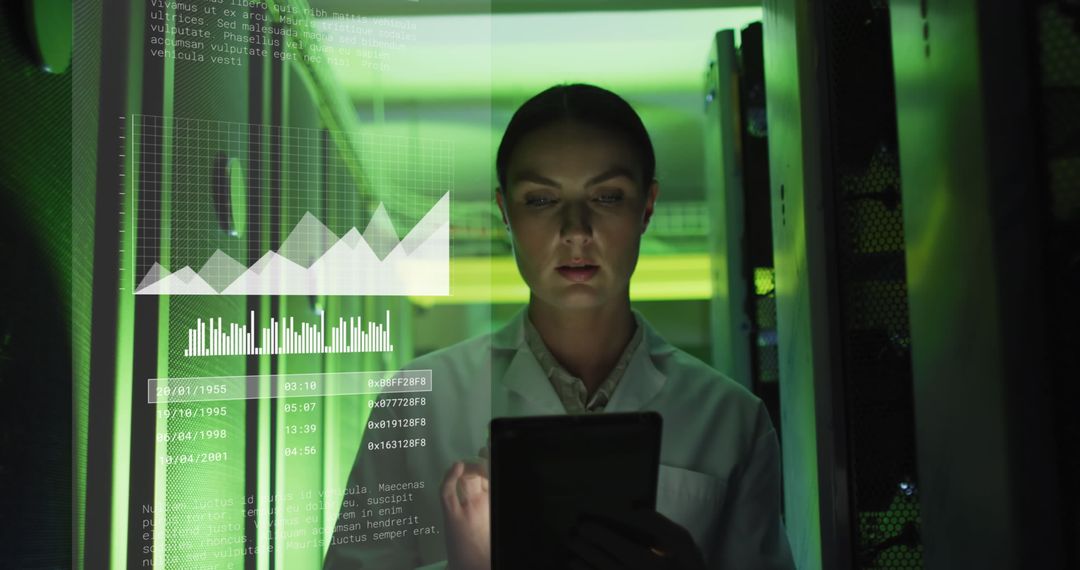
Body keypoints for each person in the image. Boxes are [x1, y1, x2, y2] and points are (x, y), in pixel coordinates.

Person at [324, 84, 794, 569]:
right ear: (505, 211)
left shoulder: (731, 419)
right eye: (542, 200)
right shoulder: (418, 402)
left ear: (646, 206)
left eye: (607, 196)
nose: (575, 230)